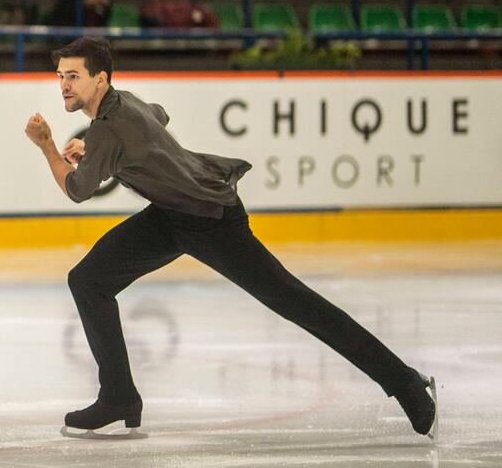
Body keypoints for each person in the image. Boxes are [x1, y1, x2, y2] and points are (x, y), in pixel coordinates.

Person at [22, 36, 438, 439]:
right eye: (60, 75)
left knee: (293, 300)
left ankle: (407, 384)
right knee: (89, 279)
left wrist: (49, 148)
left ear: (101, 80)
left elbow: (77, 190)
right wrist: (96, 148)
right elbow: (159, 114)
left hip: (211, 218)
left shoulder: (108, 129)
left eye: (73, 76)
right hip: (171, 215)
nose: (63, 85)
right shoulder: (123, 104)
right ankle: (119, 398)